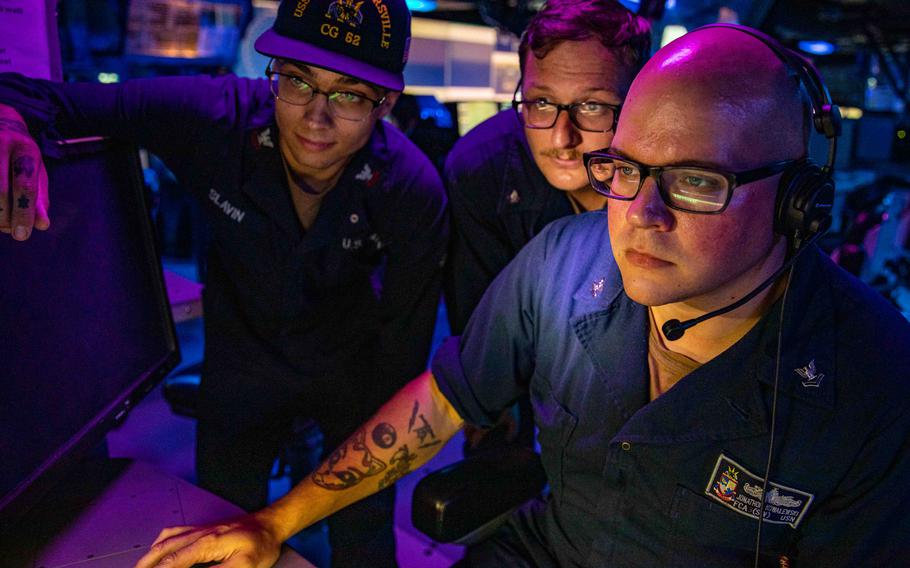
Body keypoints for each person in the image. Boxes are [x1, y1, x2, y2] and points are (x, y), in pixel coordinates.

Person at [138, 24, 910, 568]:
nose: (640, 214)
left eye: (697, 182)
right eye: (627, 169)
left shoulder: (876, 378)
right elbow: (438, 404)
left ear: (798, 204)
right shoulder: (561, 263)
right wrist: (274, 524)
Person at [0, 0, 447, 565]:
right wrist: (8, 124)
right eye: (297, 81)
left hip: (351, 377)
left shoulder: (413, 192)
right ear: (273, 72)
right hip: (240, 365)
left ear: (386, 104)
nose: (315, 117)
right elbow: (38, 96)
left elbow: (403, 358)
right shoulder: (217, 115)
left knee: (364, 536)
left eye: (349, 94)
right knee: (217, 529)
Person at [443, 0, 649, 451]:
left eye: (592, 107)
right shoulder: (482, 169)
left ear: (640, 101)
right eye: (540, 103)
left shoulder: (667, 184)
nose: (561, 138)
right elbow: (478, 321)